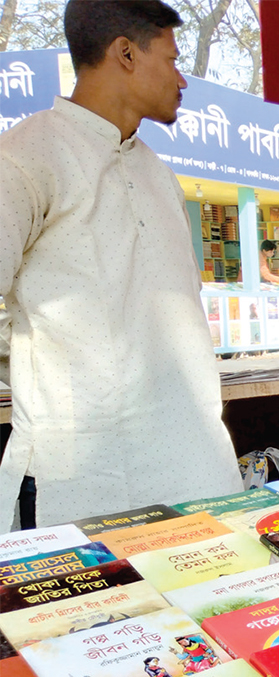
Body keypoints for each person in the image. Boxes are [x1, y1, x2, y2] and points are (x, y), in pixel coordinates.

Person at [0, 0, 242, 531]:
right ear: (125, 53)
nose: (182, 79)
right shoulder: (26, 156)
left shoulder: (157, 172)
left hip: (197, 468)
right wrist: (34, 359)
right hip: (83, 478)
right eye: (173, 59)